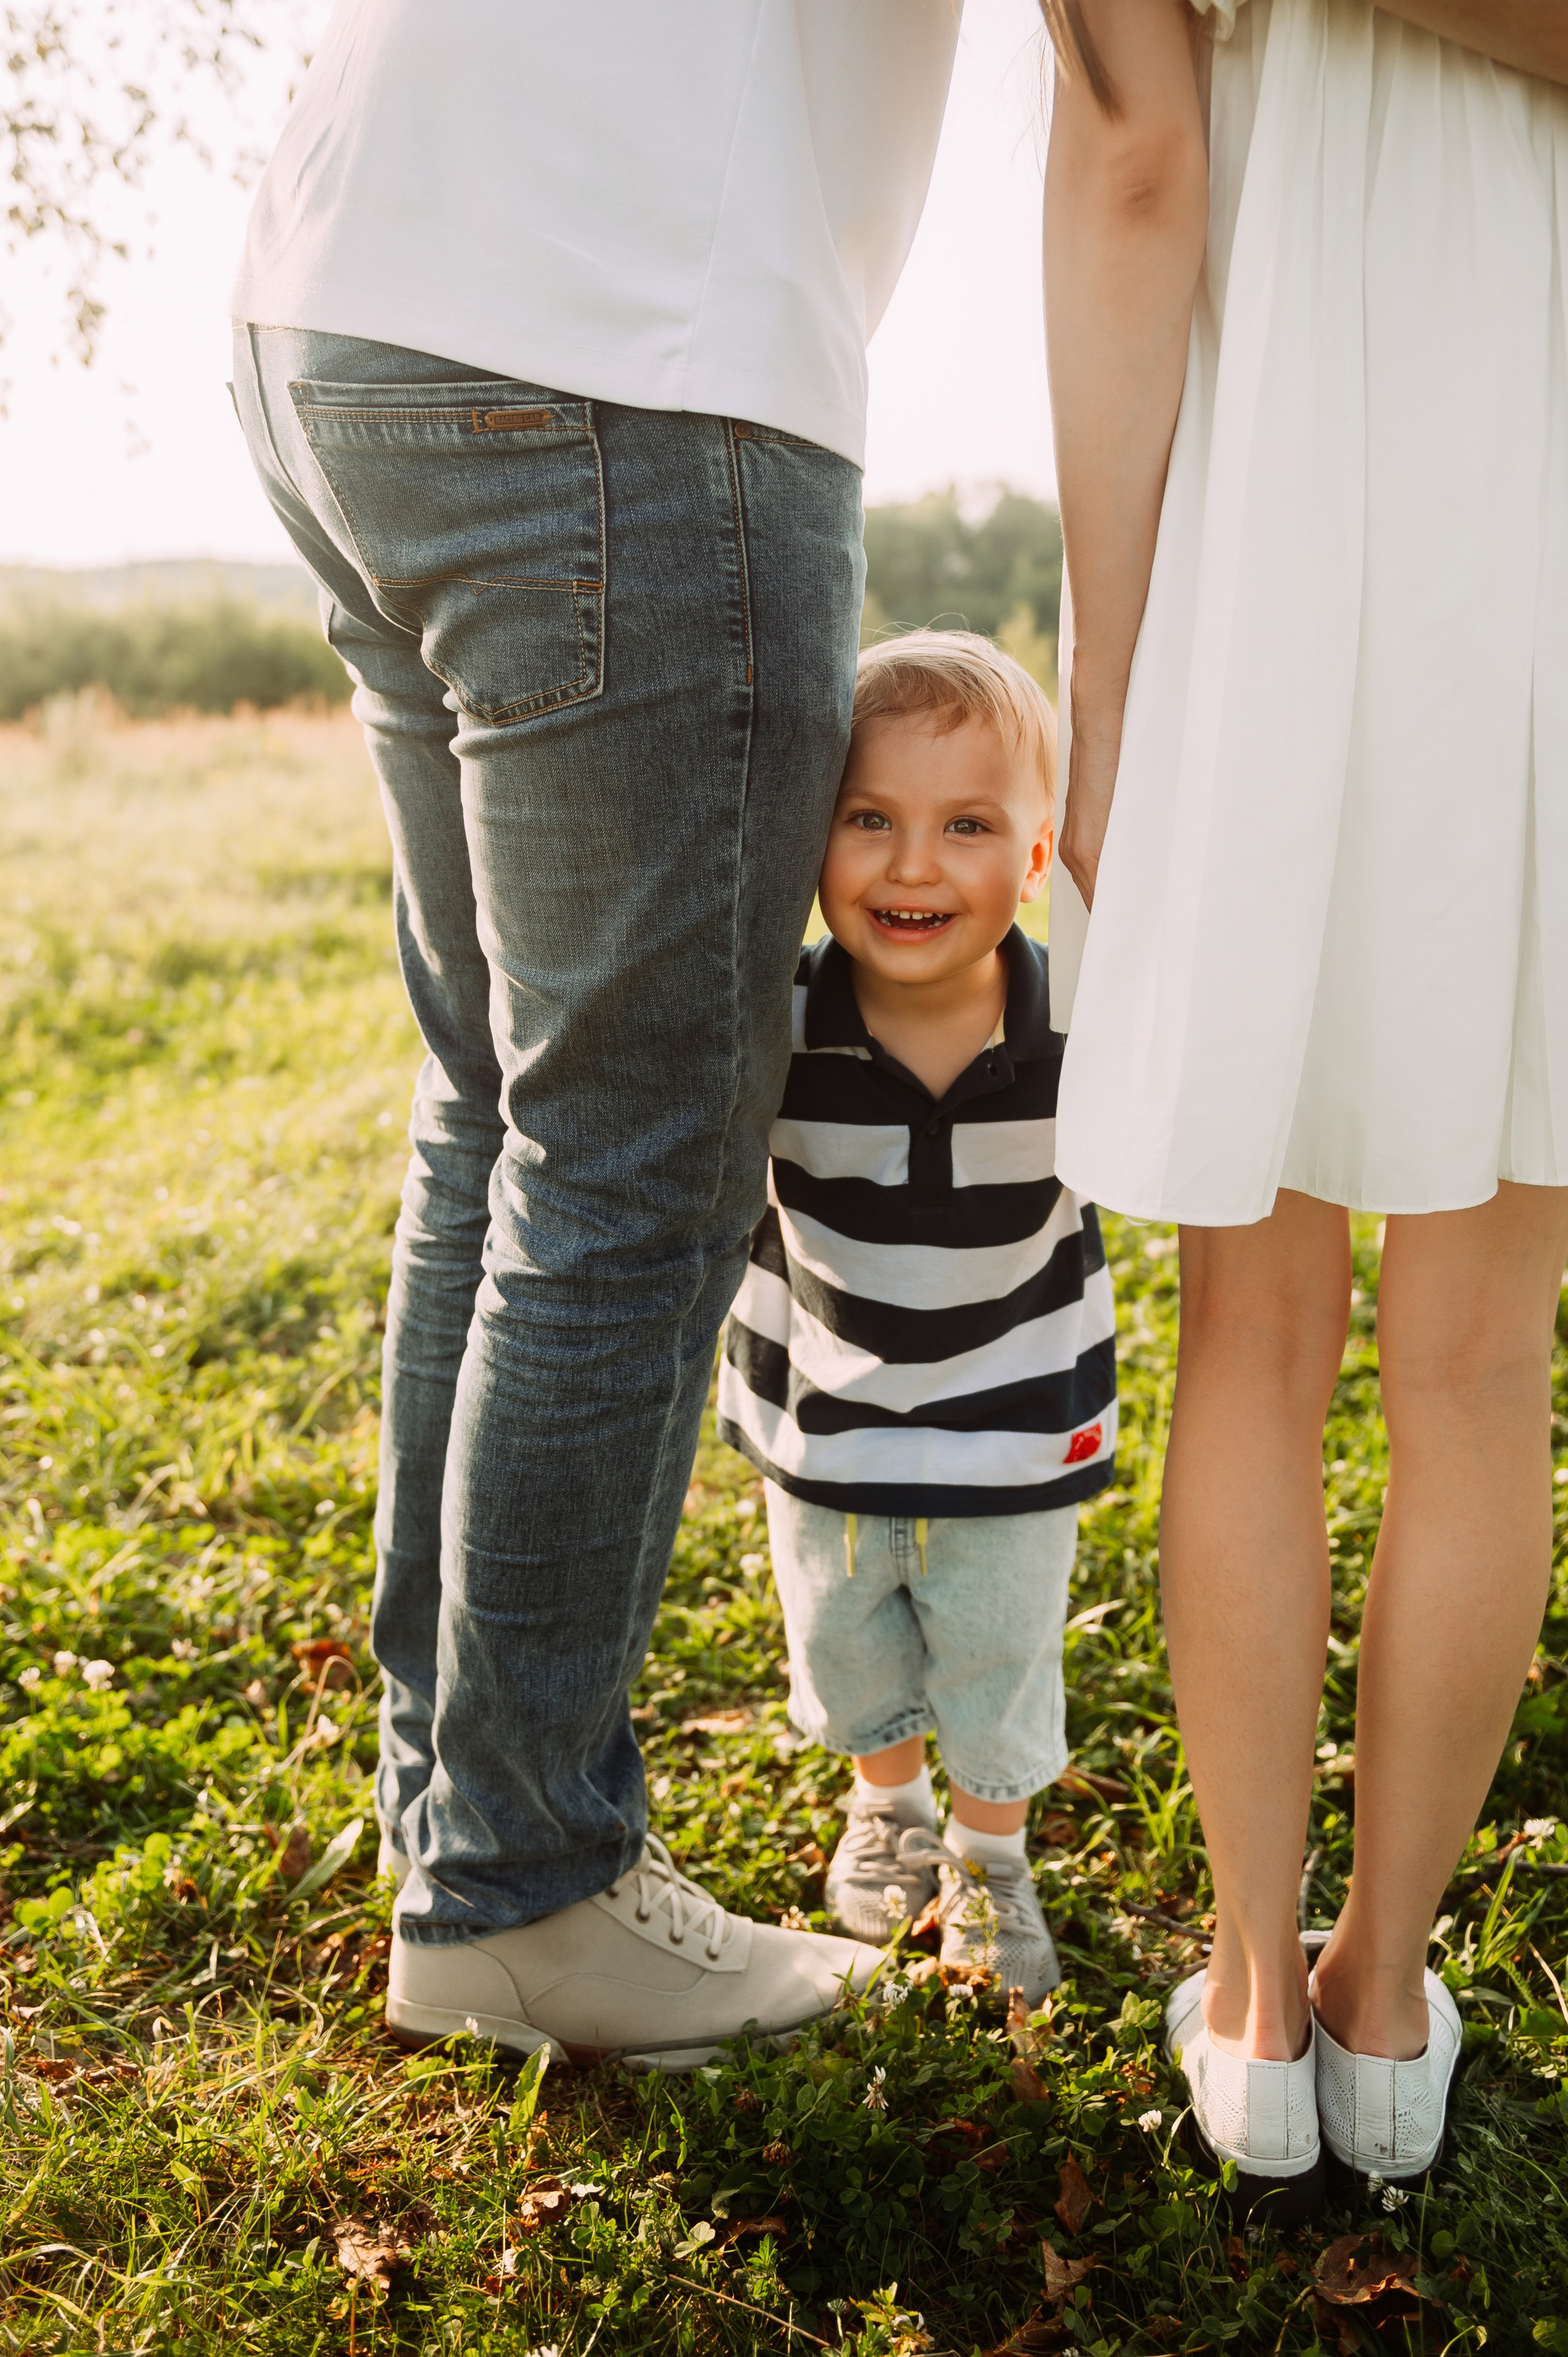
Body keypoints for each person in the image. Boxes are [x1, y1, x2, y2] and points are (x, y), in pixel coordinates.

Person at [227, 0, 967, 2066]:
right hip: (622, 338)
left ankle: (461, 1814)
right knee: (630, 1151)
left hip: (346, 293)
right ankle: (526, 1882)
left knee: (507, 1108)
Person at [1041, 0, 1568, 2217]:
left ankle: (1255, 1995)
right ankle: (1382, 1994)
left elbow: (1136, 172)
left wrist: (1102, 652)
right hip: (1538, 526)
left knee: (1252, 1344)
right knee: (1479, 1366)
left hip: (1267, 547)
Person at [718, 632, 1117, 2008]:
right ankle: (884, 1808)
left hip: (1016, 1432)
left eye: (967, 826)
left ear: (1034, 854)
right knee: (842, 1643)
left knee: (1000, 1658)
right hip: (823, 1423)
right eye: (867, 819)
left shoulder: (1086, 1027)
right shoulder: (770, 1027)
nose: (910, 865)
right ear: (809, 839)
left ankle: (987, 1853)